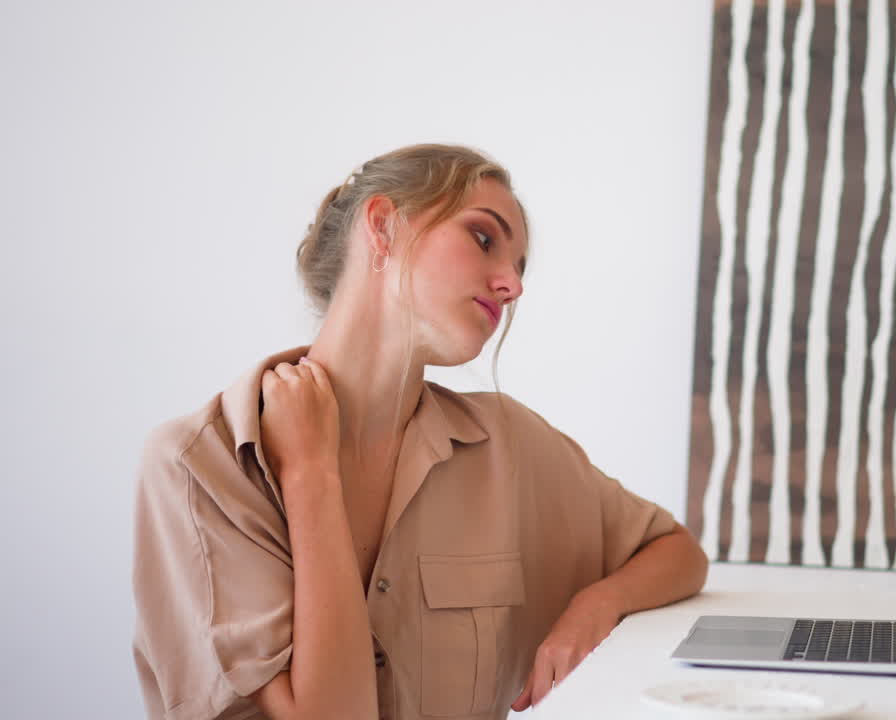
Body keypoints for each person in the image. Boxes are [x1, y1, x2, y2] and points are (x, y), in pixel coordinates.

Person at [131, 144, 709, 720]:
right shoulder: (199, 466)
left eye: (520, 267)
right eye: (484, 239)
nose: (512, 286)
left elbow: (677, 552)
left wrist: (597, 605)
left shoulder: (508, 444)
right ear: (382, 227)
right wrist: (310, 476)